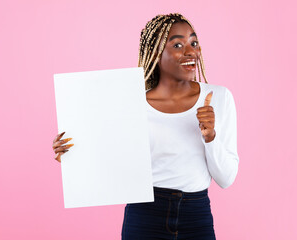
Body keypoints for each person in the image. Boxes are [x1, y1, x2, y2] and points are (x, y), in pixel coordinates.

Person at [52, 13, 239, 240]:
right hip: (145, 216)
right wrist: (73, 158)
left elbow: (226, 178)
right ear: (155, 53)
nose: (191, 52)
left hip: (196, 215)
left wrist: (211, 137)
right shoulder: (132, 104)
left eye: (194, 43)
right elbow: (111, 161)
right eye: (178, 44)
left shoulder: (218, 98)